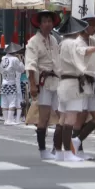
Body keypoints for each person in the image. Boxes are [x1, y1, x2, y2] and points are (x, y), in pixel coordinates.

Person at [55, 17, 95, 162]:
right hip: (73, 84)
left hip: (64, 83)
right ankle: (68, 152)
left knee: (62, 119)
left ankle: (59, 152)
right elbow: (80, 54)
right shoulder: (72, 44)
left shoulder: (62, 43)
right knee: (70, 119)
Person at [26, 9, 62, 159]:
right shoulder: (33, 42)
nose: (48, 24)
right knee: (44, 118)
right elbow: (30, 65)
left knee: (63, 115)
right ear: (39, 24)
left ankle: (56, 147)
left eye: (50, 21)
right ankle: (43, 150)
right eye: (45, 21)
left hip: (56, 81)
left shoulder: (53, 40)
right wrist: (33, 85)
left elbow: (58, 61)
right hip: (43, 83)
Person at [73, 13, 95, 152]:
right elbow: (82, 51)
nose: (94, 27)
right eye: (91, 24)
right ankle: (76, 149)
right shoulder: (77, 41)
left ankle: (76, 141)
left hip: (94, 82)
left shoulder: (93, 40)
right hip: (82, 81)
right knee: (81, 116)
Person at [0, 44, 25, 125]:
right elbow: (21, 69)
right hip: (11, 82)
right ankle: (10, 120)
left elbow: (1, 70)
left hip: (4, 81)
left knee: (4, 102)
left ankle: (5, 119)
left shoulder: (3, 58)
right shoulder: (14, 59)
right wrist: (20, 61)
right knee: (12, 101)